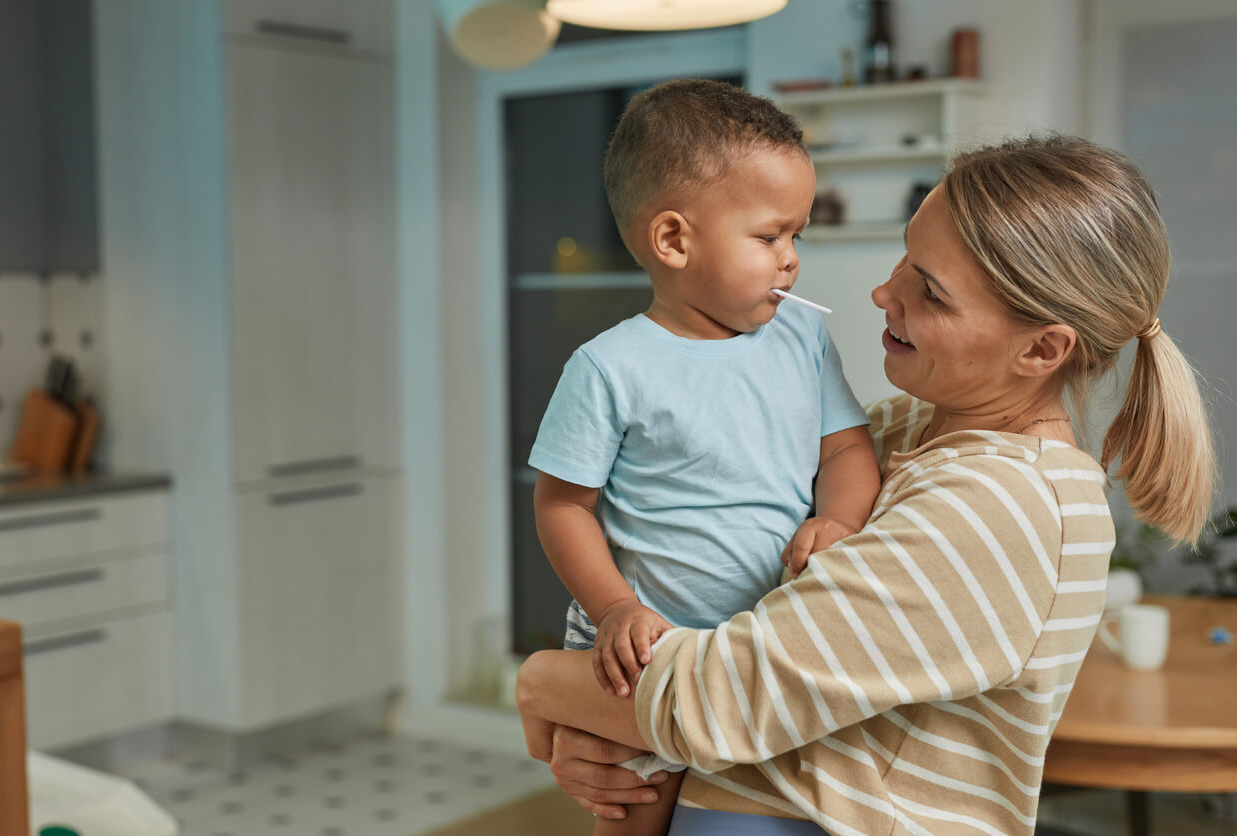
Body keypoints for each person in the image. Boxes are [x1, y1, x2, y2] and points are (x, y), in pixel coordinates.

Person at [517, 134, 1216, 835]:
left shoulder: (1008, 508)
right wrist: (611, 740)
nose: (885, 292)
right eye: (908, 257)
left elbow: (723, 699)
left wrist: (547, 686)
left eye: (931, 291)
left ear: (1040, 349)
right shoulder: (902, 431)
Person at [527, 79, 883, 836]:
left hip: (758, 656)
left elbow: (846, 445)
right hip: (641, 660)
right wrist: (614, 607)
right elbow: (562, 505)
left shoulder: (802, 338)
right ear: (674, 240)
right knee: (631, 819)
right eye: (769, 237)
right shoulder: (608, 368)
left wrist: (841, 519)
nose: (791, 261)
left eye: (798, 235)